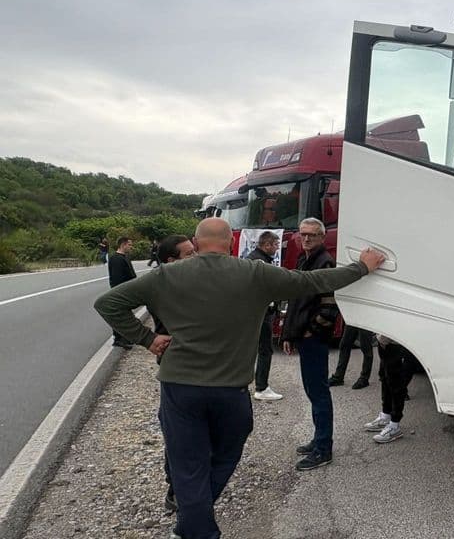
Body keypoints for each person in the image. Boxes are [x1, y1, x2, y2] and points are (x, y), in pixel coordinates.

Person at [94, 218, 385, 539]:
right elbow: (313, 281)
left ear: (196, 241)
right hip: (230, 389)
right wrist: (362, 267)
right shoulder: (254, 274)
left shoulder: (164, 275)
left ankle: (193, 519)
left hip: (180, 387)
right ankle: (196, 526)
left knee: (188, 465)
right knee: (226, 452)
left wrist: (147, 339)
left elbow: (108, 303)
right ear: (232, 242)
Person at [281, 218, 340, 471]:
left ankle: (323, 449)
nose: (306, 239)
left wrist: (308, 332)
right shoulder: (304, 260)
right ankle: (318, 439)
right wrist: (289, 334)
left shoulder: (324, 261)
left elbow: (330, 308)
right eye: (303, 234)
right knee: (313, 391)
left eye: (312, 235)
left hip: (313, 340)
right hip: (305, 337)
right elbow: (296, 301)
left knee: (318, 393)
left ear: (322, 237)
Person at [149, 234, 196, 514]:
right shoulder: (163, 284)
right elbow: (112, 302)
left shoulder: (186, 279)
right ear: (170, 262)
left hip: (199, 368)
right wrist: (147, 339)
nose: (196, 257)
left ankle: (188, 486)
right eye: (189, 254)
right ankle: (176, 489)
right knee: (178, 434)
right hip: (176, 368)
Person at [246, 231, 283, 401]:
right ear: (266, 245)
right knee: (265, 350)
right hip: (262, 313)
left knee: (254, 348)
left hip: (256, 312)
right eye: (275, 245)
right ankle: (262, 387)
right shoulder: (260, 262)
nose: (277, 248)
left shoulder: (254, 258)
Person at [363, 334, 414, 443]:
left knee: (397, 384)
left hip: (399, 342)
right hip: (385, 341)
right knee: (385, 378)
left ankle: (394, 425)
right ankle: (386, 416)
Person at [107, 237, 137, 349]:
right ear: (123, 245)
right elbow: (116, 278)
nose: (130, 247)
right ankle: (119, 339)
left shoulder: (125, 257)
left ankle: (124, 337)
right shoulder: (116, 259)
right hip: (120, 292)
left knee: (124, 315)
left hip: (127, 290)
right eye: (129, 245)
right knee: (120, 316)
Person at [329, 325, 374, 389]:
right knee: (344, 345)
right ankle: (338, 377)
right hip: (353, 319)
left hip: (365, 320)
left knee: (366, 348)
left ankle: (364, 378)